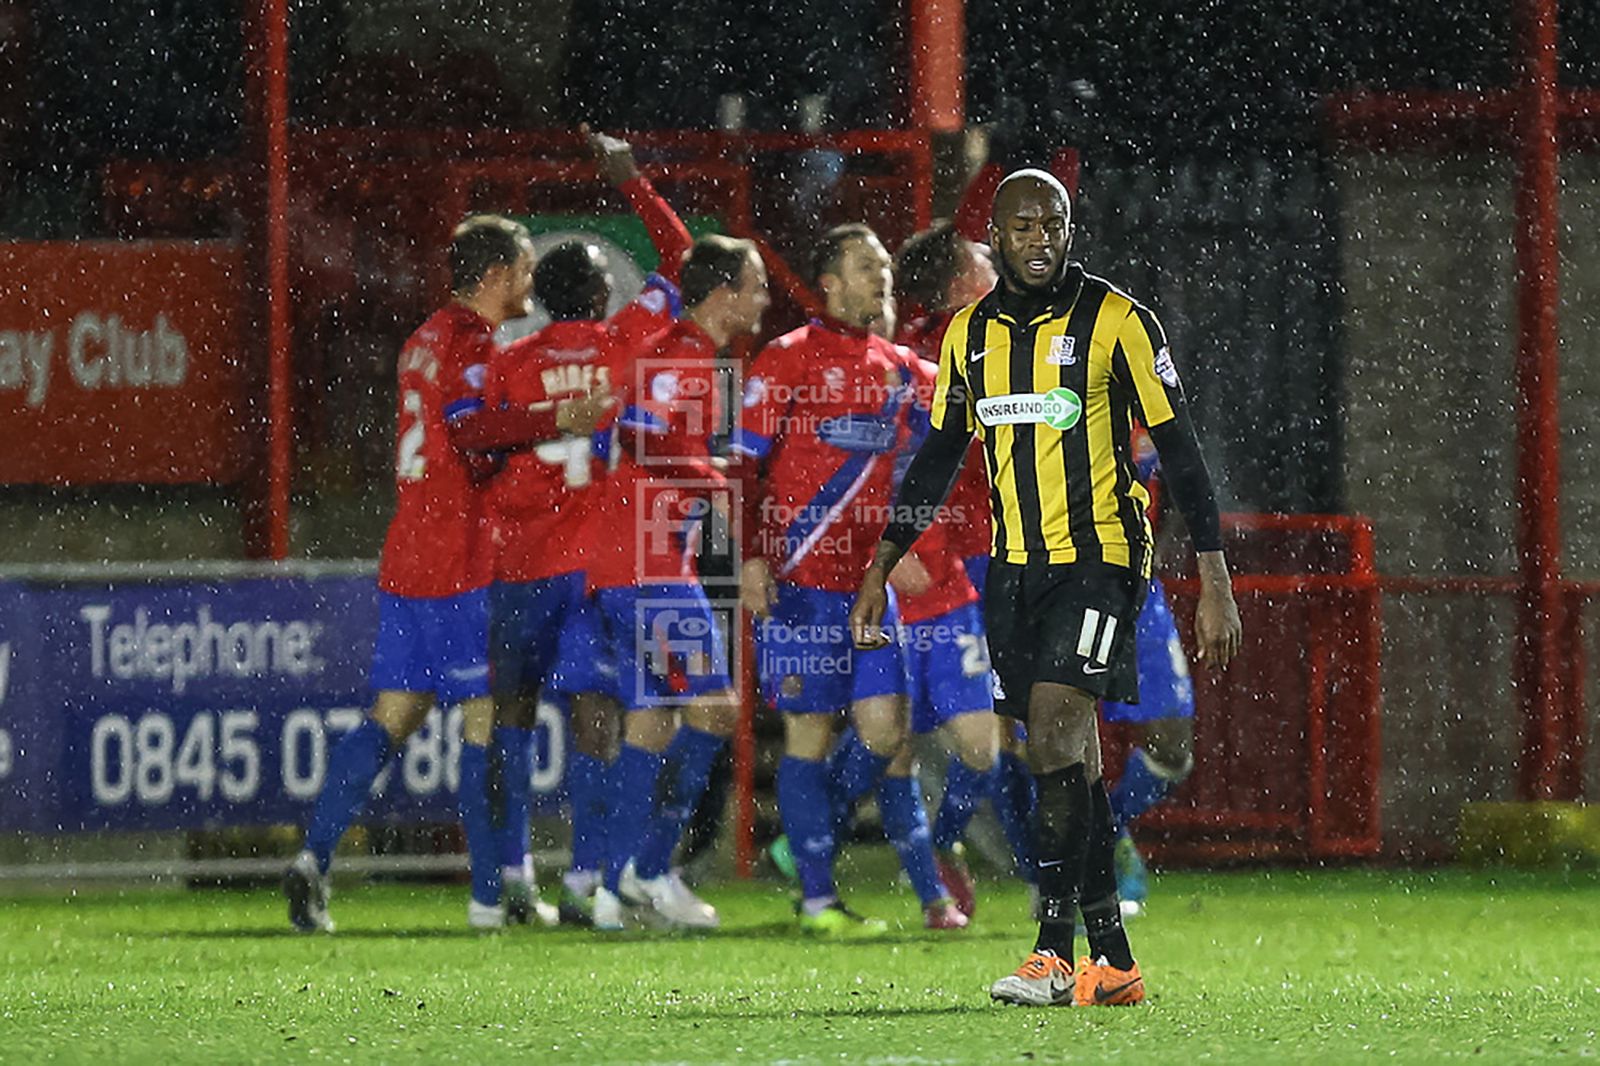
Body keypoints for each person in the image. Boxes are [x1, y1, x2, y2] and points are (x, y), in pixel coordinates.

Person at [849, 169, 1241, 1005]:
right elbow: (939, 454)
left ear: (1070, 229)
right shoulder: (969, 336)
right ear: (997, 237)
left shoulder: (1118, 321)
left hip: (1101, 560)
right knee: (1072, 758)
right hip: (1015, 569)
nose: (1038, 238)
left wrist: (1215, 579)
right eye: (1021, 226)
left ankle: (1052, 955)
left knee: (1060, 732)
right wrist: (883, 561)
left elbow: (1181, 452)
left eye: (1051, 223)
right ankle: (1114, 960)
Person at [283, 213, 609, 933]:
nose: (530, 282)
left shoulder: (422, 339)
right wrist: (556, 419)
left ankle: (314, 857)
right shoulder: (470, 341)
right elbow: (465, 429)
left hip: (408, 551)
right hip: (460, 557)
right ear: (495, 277)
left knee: (393, 716)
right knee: (483, 723)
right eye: (524, 270)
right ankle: (490, 898)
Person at [483, 125, 691, 926]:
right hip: (593, 564)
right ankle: (587, 877)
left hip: (521, 562)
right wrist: (632, 180)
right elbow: (680, 262)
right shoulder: (622, 344)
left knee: (507, 714)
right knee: (597, 720)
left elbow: (479, 446)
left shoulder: (508, 361)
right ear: (606, 295)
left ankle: (511, 876)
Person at [735, 223, 962, 935]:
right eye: (867, 266)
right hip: (798, 578)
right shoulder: (786, 360)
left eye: (886, 266)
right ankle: (817, 899)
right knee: (808, 731)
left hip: (870, 585)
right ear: (828, 281)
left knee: (884, 730)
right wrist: (746, 558)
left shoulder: (905, 370)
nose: (882, 277)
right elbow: (740, 465)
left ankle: (803, 848)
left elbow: (963, 428)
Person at [580, 234, 770, 931]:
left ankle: (610, 891)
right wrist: (715, 479)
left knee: (653, 718)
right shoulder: (684, 353)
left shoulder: (697, 356)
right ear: (723, 294)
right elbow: (639, 432)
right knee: (717, 707)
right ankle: (652, 869)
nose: (764, 298)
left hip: (643, 557)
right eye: (755, 284)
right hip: (646, 562)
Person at [1099, 424, 1197, 905]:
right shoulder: (1054, 386)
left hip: (1138, 594)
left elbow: (1181, 477)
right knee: (1051, 745)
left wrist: (1163, 543)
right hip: (1065, 585)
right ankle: (1058, 877)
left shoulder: (1151, 400)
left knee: (1173, 745)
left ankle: (1105, 831)